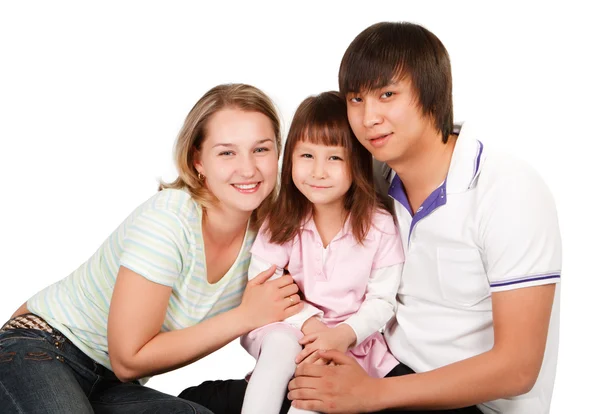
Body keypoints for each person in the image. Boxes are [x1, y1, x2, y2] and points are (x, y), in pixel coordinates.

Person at [181, 22, 561, 414]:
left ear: (433, 94)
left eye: (388, 95)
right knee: (198, 403)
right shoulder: (372, 179)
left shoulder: (506, 190)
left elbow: (518, 369)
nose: (368, 117)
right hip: (375, 368)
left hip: (462, 403)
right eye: (357, 98)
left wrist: (369, 395)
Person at [0, 83, 303, 414]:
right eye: (227, 152)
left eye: (261, 149)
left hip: (112, 383)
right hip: (41, 347)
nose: (248, 169)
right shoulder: (169, 218)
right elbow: (129, 358)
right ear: (197, 160)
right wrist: (244, 317)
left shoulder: (272, 233)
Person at [239, 92, 404, 414]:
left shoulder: (379, 226)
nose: (318, 172)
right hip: (288, 325)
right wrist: (310, 325)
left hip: (349, 337)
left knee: (319, 381)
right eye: (307, 156)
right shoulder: (280, 219)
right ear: (290, 159)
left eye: (334, 158)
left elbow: (383, 300)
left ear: (357, 163)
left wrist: (343, 335)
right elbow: (262, 284)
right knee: (279, 348)